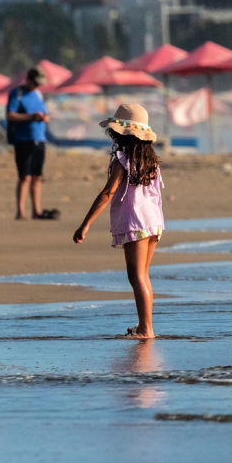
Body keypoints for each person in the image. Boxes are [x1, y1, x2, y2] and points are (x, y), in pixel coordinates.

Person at [72, 104, 164, 339]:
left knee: (136, 276)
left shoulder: (122, 160)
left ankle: (146, 329)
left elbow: (107, 193)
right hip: (153, 222)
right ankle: (146, 326)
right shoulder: (151, 160)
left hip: (135, 222)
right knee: (143, 275)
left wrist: (86, 224)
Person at [6, 67, 56, 220]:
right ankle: (20, 211)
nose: (37, 86)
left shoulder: (38, 94)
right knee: (25, 176)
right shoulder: (17, 94)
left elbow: (46, 115)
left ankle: (37, 210)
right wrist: (30, 117)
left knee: (37, 176)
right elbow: (10, 115)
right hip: (23, 140)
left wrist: (43, 118)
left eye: (39, 83)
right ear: (28, 80)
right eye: (35, 83)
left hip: (39, 139)